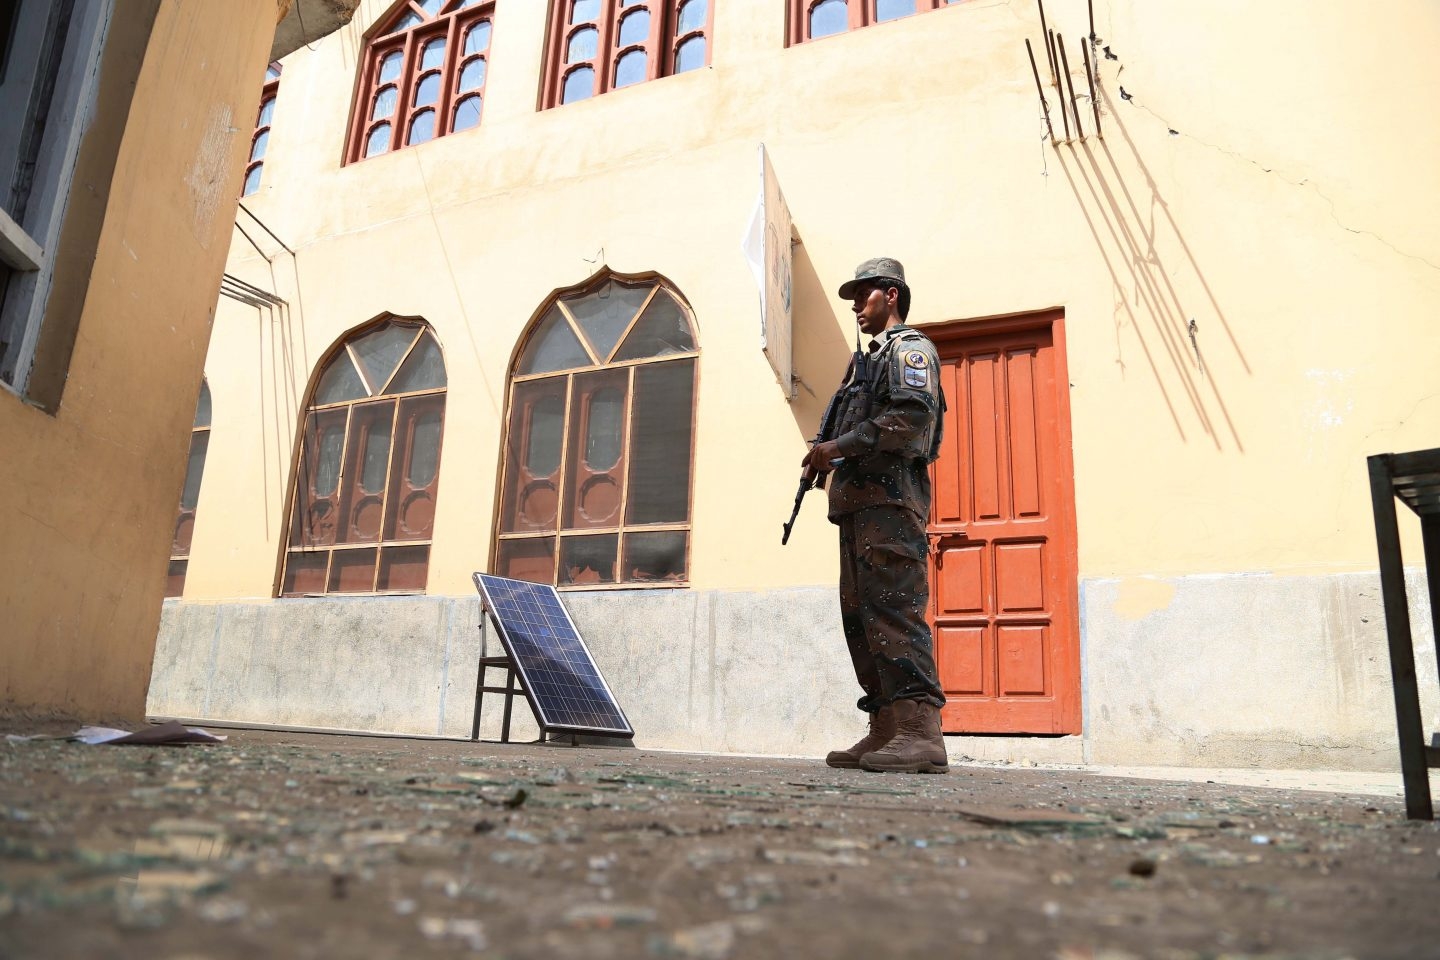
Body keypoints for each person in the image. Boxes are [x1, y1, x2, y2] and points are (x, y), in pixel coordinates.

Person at [801, 257, 948, 774]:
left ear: (890, 294)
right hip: (860, 509)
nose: (855, 307)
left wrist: (837, 447)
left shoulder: (909, 350)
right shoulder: (867, 361)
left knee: (893, 612)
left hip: (889, 506)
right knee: (861, 619)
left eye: (862, 296)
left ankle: (920, 732)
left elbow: (909, 420)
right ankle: (885, 728)